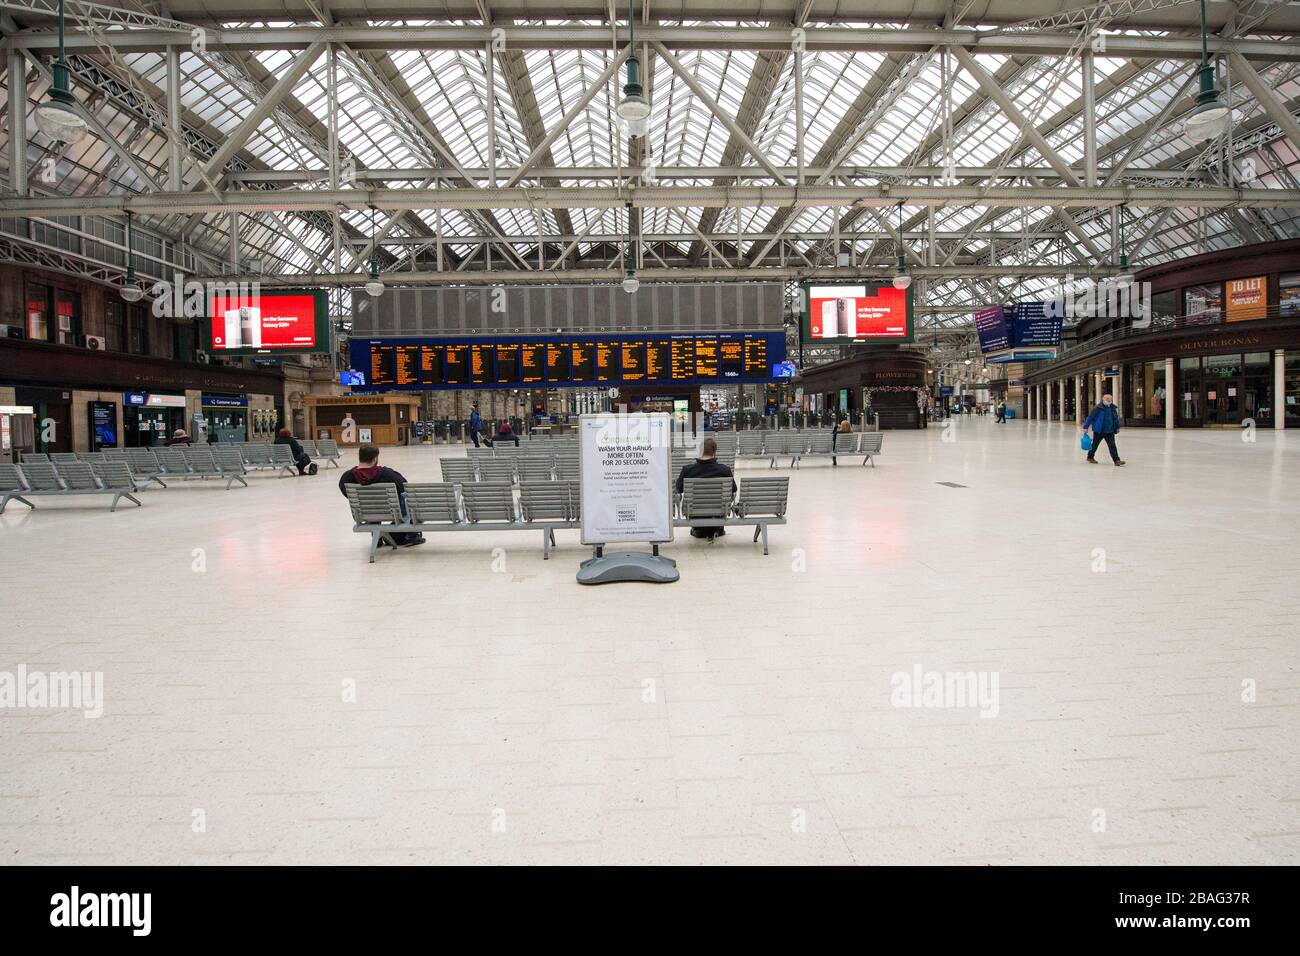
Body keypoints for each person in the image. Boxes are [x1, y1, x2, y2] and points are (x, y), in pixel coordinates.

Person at [338, 444, 424, 547]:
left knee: (371, 503)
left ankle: (377, 537)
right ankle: (412, 535)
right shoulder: (387, 474)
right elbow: (404, 485)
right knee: (406, 497)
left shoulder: (347, 477)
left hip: (365, 512)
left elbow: (344, 491)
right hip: (388, 512)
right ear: (375, 459)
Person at [675, 437, 737, 540]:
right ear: (714, 452)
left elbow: (678, 489)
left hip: (694, 512)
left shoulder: (687, 470)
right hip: (719, 511)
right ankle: (717, 528)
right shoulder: (725, 470)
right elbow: (734, 490)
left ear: (700, 451)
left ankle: (699, 529)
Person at [1081, 393, 1126, 466]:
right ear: (1103, 399)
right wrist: (1085, 427)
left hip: (1110, 431)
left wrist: (1117, 427)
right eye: (1107, 399)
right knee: (1095, 445)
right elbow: (1090, 417)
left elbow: (1116, 419)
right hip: (1099, 430)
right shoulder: (1097, 408)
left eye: (1110, 399)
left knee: (1112, 445)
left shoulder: (1113, 408)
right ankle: (1090, 457)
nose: (1109, 400)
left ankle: (1116, 460)